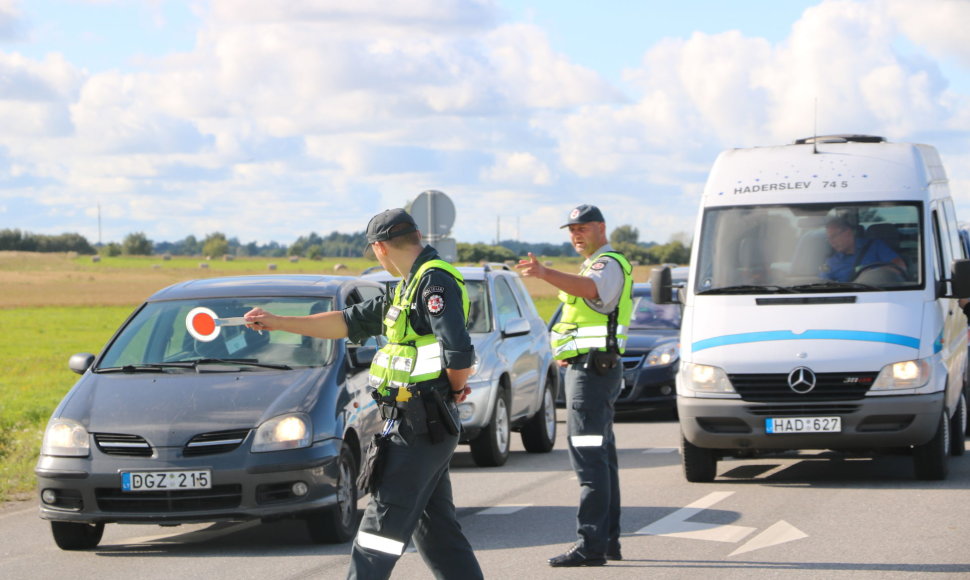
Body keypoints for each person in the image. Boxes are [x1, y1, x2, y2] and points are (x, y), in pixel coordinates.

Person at [245, 208, 483, 580]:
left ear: (380, 248)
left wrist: (453, 389)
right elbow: (346, 321)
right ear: (416, 236)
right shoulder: (408, 285)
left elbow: (458, 351)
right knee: (436, 530)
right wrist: (278, 322)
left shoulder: (433, 282)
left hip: (421, 424)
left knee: (378, 532)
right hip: (416, 421)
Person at [515, 204, 633, 567]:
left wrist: (545, 273)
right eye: (571, 230)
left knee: (589, 459)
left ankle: (591, 545)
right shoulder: (595, 263)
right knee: (601, 457)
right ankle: (607, 541)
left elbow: (591, 289)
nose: (575, 235)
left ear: (601, 227)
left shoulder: (605, 263)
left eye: (582, 228)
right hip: (591, 370)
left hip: (591, 375)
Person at [821, 217, 906, 281]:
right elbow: (822, 285)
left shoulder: (875, 246)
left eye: (834, 236)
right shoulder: (831, 261)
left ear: (848, 232)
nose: (831, 241)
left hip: (880, 294)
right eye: (828, 238)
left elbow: (900, 266)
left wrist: (875, 274)